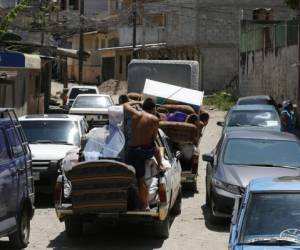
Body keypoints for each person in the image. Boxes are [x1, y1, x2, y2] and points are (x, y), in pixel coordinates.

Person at [124, 98, 164, 210]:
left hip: (132, 151)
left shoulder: (135, 114)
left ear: (143, 106)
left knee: (136, 179)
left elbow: (125, 105)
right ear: (153, 108)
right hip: (143, 152)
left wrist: (136, 102)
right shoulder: (154, 119)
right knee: (141, 179)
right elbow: (154, 136)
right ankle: (145, 204)